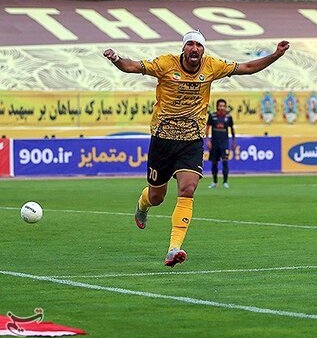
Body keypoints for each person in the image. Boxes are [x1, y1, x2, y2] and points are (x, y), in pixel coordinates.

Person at [102, 30, 289, 267]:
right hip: (162, 139)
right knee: (157, 197)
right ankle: (142, 205)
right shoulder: (165, 64)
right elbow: (132, 67)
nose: (194, 48)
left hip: (192, 140)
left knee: (188, 189)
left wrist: (275, 55)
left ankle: (174, 248)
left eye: (198, 45)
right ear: (183, 49)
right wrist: (117, 58)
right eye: (189, 44)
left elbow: (248, 67)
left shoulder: (212, 66)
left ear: (203, 50)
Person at [206, 98, 235, 189]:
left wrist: (233, 141)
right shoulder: (212, 116)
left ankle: (225, 182)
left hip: (224, 143)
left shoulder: (228, 117)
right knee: (214, 163)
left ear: (225, 107)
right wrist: (208, 140)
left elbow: (232, 129)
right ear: (217, 106)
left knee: (225, 162)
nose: (222, 108)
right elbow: (207, 128)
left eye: (223, 106)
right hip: (214, 143)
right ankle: (214, 182)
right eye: (220, 106)